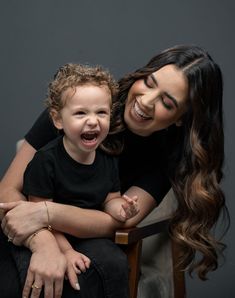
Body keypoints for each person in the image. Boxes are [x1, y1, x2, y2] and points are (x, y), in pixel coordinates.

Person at [0, 45, 229, 297]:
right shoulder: (81, 101)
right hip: (31, 229)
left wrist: (47, 212)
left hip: (90, 240)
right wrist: (43, 243)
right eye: (149, 82)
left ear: (181, 118)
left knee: (101, 269)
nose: (145, 101)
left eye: (166, 102)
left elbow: (117, 222)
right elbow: (8, 189)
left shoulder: (167, 157)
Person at [11, 63, 139, 296]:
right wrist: (66, 252)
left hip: (86, 232)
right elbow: (38, 216)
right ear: (58, 120)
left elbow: (111, 199)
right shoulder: (44, 161)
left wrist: (122, 210)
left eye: (101, 112)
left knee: (114, 262)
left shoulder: (108, 158)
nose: (93, 121)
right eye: (81, 113)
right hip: (51, 233)